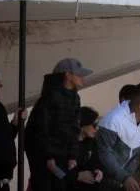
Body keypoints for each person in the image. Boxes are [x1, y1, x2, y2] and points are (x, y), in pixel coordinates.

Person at [25, 58, 92, 191]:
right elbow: (41, 129)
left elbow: (74, 128)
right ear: (67, 75)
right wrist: (48, 157)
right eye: (79, 74)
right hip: (47, 161)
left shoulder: (74, 97)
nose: (83, 78)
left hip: (62, 158)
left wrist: (72, 156)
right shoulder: (50, 97)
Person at [96, 83, 140, 191]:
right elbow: (105, 154)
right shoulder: (113, 120)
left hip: (128, 184)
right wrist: (125, 177)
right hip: (104, 182)